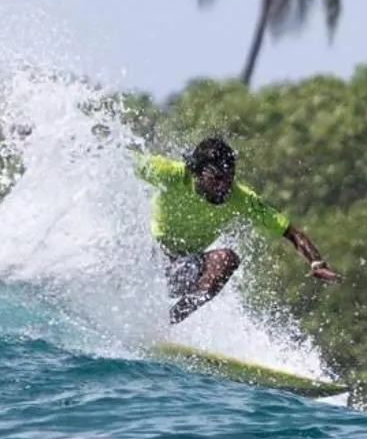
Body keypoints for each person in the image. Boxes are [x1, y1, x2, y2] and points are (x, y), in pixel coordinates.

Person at [135, 135, 338, 323]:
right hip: (144, 258)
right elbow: (122, 158)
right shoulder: (171, 173)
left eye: (229, 179)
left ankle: (165, 322)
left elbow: (290, 232)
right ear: (196, 171)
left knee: (226, 259)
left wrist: (316, 262)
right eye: (216, 179)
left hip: (182, 268)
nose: (224, 188)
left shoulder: (240, 198)